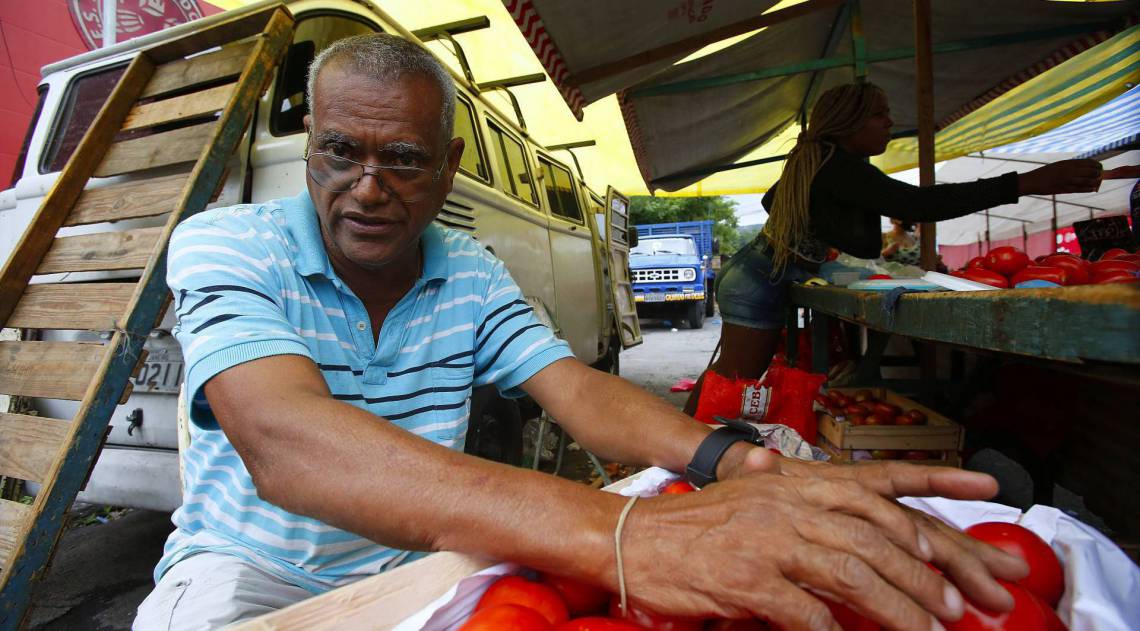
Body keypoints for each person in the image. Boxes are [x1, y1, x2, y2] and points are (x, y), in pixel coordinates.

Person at [135, 38, 1030, 630]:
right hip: (247, 573)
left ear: (448, 167)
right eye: (339, 152)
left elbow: (579, 391)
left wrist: (733, 458)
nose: (366, 187)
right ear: (313, 148)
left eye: (402, 159)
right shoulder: (227, 244)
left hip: (420, 568)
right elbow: (290, 444)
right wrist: (624, 533)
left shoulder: (470, 268)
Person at [685, 82, 1104, 412]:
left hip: (756, 272)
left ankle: (682, 451)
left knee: (730, 377)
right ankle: (679, 456)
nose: (890, 122)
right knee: (733, 380)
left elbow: (773, 201)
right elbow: (922, 204)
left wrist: (811, 236)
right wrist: (1023, 183)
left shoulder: (820, 160)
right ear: (851, 123)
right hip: (760, 280)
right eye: (880, 114)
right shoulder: (838, 165)